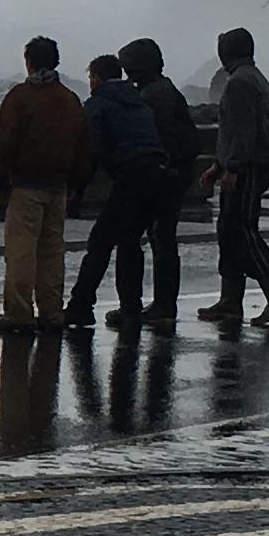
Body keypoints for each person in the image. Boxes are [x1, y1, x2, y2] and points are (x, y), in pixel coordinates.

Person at [0, 37, 88, 329]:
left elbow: (4, 142)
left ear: (28, 62)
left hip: (26, 185)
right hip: (59, 186)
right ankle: (51, 312)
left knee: (21, 251)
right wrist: (75, 185)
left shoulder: (20, 97)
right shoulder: (69, 99)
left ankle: (19, 314)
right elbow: (82, 145)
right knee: (52, 252)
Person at [63, 53, 175, 331]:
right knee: (129, 241)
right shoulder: (138, 102)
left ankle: (81, 306)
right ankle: (130, 309)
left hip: (132, 177)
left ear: (96, 78)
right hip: (159, 175)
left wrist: (76, 190)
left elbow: (92, 151)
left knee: (100, 241)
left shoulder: (98, 104)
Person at [203, 24, 269, 325]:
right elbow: (238, 131)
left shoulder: (239, 83)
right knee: (228, 231)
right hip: (250, 164)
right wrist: (219, 165)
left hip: (248, 168)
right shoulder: (253, 77)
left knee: (242, 231)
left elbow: (244, 131)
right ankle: (229, 301)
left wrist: (232, 168)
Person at [122, 36, 200, 324]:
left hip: (164, 177)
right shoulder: (163, 91)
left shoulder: (154, 96)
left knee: (160, 238)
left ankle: (162, 305)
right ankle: (163, 304)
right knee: (162, 239)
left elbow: (158, 137)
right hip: (173, 174)